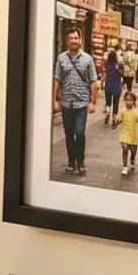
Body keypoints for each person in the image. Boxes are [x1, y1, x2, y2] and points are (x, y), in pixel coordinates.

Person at [53, 26, 100, 175]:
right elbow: (57, 80)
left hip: (81, 103)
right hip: (66, 102)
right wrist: (54, 99)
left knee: (79, 132)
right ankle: (71, 161)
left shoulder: (88, 59)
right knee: (68, 133)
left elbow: (93, 82)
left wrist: (93, 102)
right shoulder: (61, 58)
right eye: (71, 38)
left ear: (80, 40)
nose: (74, 41)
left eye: (76, 38)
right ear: (67, 40)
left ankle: (81, 161)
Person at [117, 90, 138, 177]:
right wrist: (117, 120)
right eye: (127, 100)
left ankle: (132, 157)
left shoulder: (135, 112)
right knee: (125, 148)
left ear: (134, 101)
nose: (129, 102)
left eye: (131, 100)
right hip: (124, 135)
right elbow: (118, 119)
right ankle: (125, 166)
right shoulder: (122, 111)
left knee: (133, 150)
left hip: (133, 136)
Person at [104, 49, 124, 127]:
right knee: (116, 104)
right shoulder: (120, 64)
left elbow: (105, 75)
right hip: (117, 87)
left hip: (108, 86)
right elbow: (123, 74)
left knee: (108, 104)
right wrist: (118, 69)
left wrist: (102, 83)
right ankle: (114, 120)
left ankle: (106, 117)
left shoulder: (106, 64)